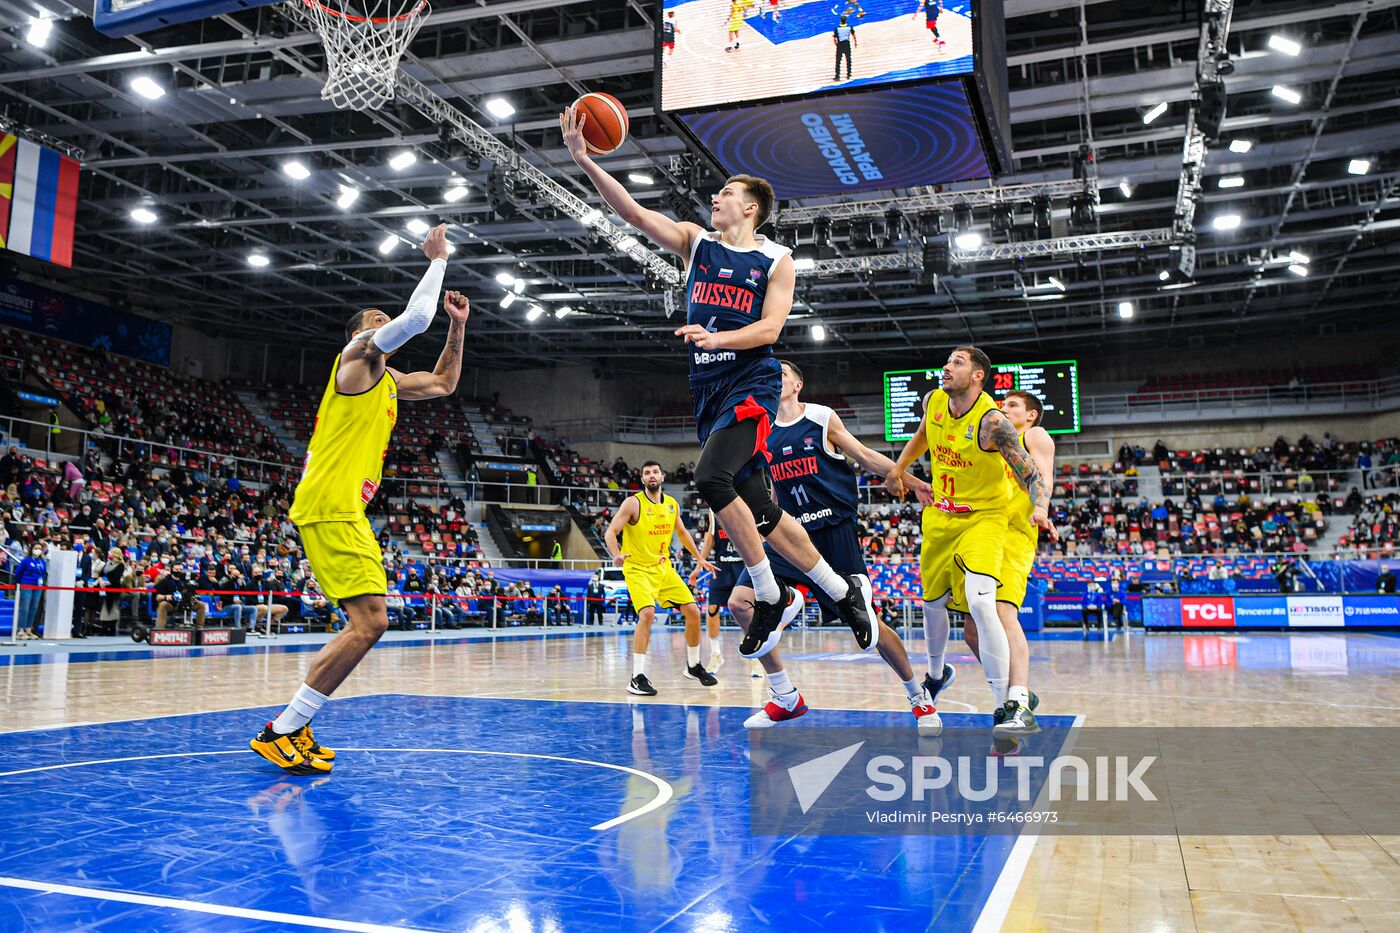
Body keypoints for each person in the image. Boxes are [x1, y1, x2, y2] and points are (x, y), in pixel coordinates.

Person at [561, 109, 876, 666]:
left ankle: (772, 593)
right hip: (707, 388)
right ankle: (839, 590)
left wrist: (719, 337)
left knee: (710, 477)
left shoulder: (776, 259)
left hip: (751, 378)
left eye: (727, 192)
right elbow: (632, 212)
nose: (716, 197)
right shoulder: (696, 242)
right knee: (761, 509)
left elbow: (771, 329)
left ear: (751, 207)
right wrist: (585, 160)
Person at [250, 224, 471, 775]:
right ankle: (282, 729)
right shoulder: (354, 360)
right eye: (376, 320)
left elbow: (443, 384)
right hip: (330, 503)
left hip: (342, 507)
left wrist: (458, 326)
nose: (383, 323)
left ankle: (292, 726)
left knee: (368, 622)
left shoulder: (388, 381)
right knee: (371, 622)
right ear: (358, 335)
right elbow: (414, 319)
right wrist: (437, 260)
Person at [728, 360, 942, 733]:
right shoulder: (762, 431)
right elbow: (770, 492)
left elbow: (866, 456)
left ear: (797, 384)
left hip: (832, 532)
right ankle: (784, 694)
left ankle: (918, 695)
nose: (773, 378)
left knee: (868, 623)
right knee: (740, 603)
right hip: (789, 534)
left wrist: (912, 481)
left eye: (781, 374)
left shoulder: (821, 417)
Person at [885, 347, 1054, 733]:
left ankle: (1012, 701)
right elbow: (923, 434)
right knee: (950, 615)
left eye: (957, 362)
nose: (946, 366)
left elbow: (1036, 475)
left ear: (978, 376)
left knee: (990, 607)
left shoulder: (1006, 426)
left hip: (994, 523)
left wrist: (1041, 507)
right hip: (943, 516)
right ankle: (945, 675)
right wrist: (898, 470)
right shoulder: (935, 403)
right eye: (947, 361)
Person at [950, 389, 1057, 736]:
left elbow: (1043, 477)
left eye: (1013, 405)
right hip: (982, 532)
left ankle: (1019, 703)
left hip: (1015, 532)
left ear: (1031, 415)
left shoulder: (1034, 435)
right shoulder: (991, 441)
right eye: (1002, 404)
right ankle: (1018, 688)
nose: (1004, 409)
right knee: (971, 630)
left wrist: (1041, 507)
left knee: (1003, 612)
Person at [604, 461, 718, 695]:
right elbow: (611, 532)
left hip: (663, 569)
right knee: (647, 613)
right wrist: (616, 554)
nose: (652, 475)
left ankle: (693, 666)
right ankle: (636, 677)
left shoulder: (671, 504)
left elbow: (682, 533)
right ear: (642, 479)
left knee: (693, 612)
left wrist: (700, 558)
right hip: (637, 569)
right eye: (647, 473)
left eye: (655, 472)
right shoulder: (633, 503)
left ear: (662, 477)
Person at [690, 510, 741, 674]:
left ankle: (756, 658)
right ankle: (715, 654)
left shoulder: (748, 501)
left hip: (744, 565)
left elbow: (759, 536)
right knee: (712, 609)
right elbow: (710, 538)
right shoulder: (714, 508)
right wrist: (699, 566)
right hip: (721, 566)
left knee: (750, 611)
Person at [14, 543, 47, 640]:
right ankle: (21, 630)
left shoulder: (42, 561)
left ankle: (29, 629)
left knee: (34, 608)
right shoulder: (26, 561)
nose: (38, 550)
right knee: (25, 608)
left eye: (40, 548)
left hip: (38, 586)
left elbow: (43, 573)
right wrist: (20, 582)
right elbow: (18, 573)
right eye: (36, 548)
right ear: (31, 549)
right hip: (26, 584)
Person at [833, 15, 856, 81]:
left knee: (838, 61)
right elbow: (853, 35)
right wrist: (855, 42)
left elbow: (835, 39)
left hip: (840, 44)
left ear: (841, 21)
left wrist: (837, 45)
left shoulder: (837, 28)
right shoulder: (849, 27)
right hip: (847, 44)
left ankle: (837, 76)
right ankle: (848, 74)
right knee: (848, 59)